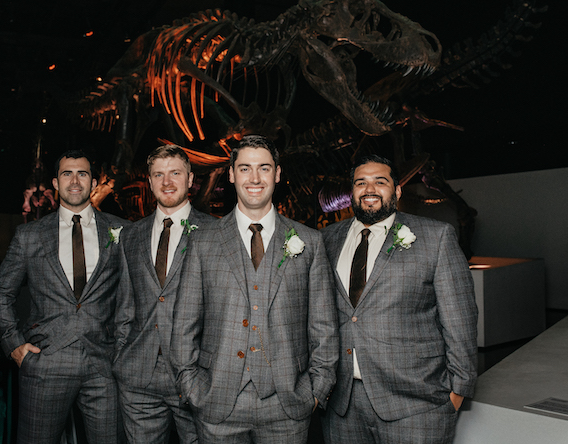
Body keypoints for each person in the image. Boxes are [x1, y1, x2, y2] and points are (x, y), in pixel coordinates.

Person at [171, 135, 339, 444]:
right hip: (217, 403)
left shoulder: (309, 241)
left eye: (264, 168)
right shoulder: (202, 242)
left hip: (288, 405)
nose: (255, 178)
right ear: (232, 174)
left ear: (277, 174)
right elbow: (184, 323)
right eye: (245, 168)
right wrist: (192, 387)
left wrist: (316, 391)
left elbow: (324, 326)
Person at [320, 154, 478, 444]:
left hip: (415, 405)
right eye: (361, 183)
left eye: (380, 182)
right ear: (352, 192)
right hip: (341, 406)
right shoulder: (326, 240)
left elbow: (459, 319)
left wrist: (458, 391)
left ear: (398, 190)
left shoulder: (436, 237)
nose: (370, 189)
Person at [0, 149, 130, 444]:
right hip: (45, 363)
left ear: (94, 183)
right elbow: (1, 291)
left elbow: (135, 296)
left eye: (83, 173)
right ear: (55, 183)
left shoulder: (122, 231)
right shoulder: (29, 235)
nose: (75, 180)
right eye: (67, 173)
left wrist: (124, 348)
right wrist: (14, 345)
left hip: (105, 365)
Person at [113, 145, 215, 443]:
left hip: (194, 375)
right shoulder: (130, 235)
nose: (167, 182)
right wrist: (121, 356)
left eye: (175, 173)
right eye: (159, 174)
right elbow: (124, 303)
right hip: (137, 377)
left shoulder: (215, 232)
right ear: (149, 180)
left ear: (190, 178)